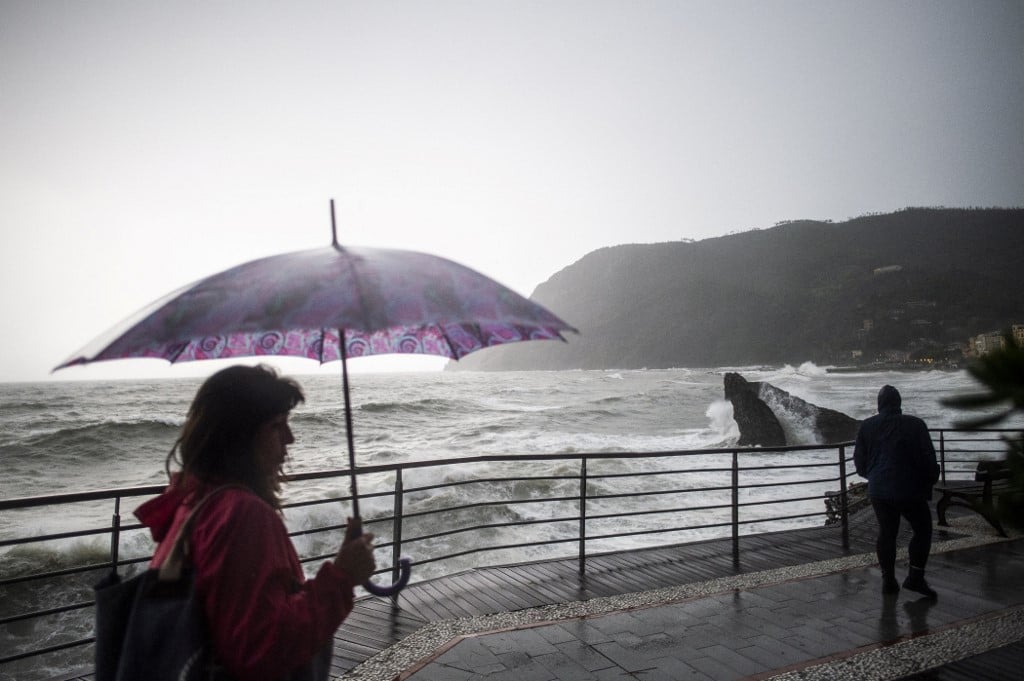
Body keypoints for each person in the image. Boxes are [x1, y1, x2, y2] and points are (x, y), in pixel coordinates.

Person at [134, 364, 377, 680]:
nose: (290, 439)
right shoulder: (242, 514)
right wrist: (342, 578)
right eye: (277, 426)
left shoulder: (193, 501)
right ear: (238, 437)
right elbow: (262, 649)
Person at [854, 384, 940, 598]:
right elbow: (929, 460)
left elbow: (859, 463)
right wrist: (928, 482)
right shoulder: (916, 425)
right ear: (899, 403)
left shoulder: (866, 426)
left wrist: (874, 477)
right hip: (909, 488)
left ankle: (888, 580)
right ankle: (915, 577)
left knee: (887, 532)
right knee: (922, 529)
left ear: (879, 404)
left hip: (879, 490)